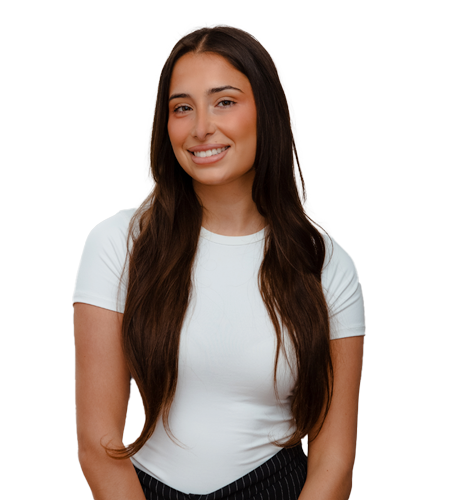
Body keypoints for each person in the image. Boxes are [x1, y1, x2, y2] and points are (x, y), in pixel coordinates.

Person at [73, 25, 365, 500]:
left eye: (224, 101)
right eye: (181, 108)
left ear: (266, 112)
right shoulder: (118, 245)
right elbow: (97, 445)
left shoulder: (326, 266)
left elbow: (334, 463)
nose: (200, 127)